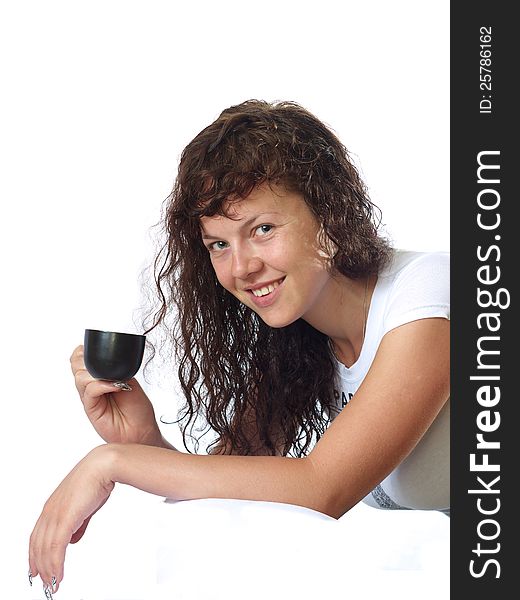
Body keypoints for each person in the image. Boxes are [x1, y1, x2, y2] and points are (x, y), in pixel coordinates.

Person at [28, 99, 450, 596]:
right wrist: (139, 443)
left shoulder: (430, 296)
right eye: (219, 244)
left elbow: (320, 489)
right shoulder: (298, 342)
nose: (241, 267)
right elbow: (232, 493)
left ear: (329, 215)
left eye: (263, 229)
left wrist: (109, 465)